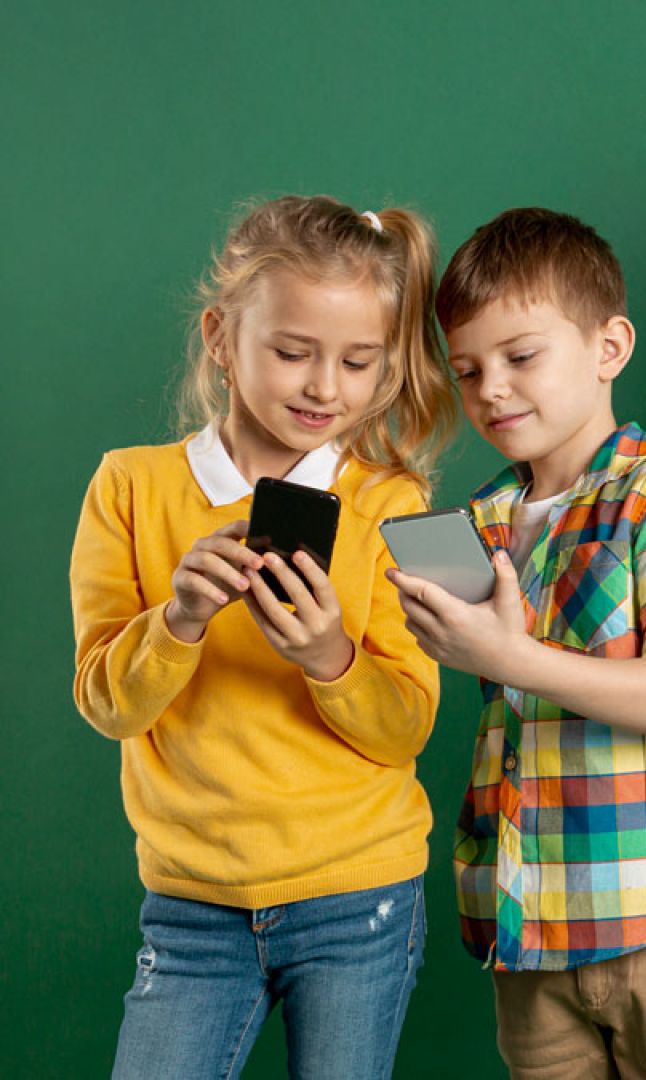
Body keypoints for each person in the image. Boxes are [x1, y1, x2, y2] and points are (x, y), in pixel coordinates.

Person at [71, 194, 455, 1078]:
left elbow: (408, 728)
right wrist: (176, 623)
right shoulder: (127, 488)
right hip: (191, 903)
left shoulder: (395, 504)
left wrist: (329, 658)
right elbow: (105, 704)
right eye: (292, 353)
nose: (326, 388)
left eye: (359, 363)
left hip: (359, 896)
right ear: (220, 337)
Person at [391, 207, 646, 1078]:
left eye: (521, 357)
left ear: (609, 347)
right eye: (468, 369)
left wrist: (510, 657)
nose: (491, 389)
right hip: (530, 931)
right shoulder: (479, 522)